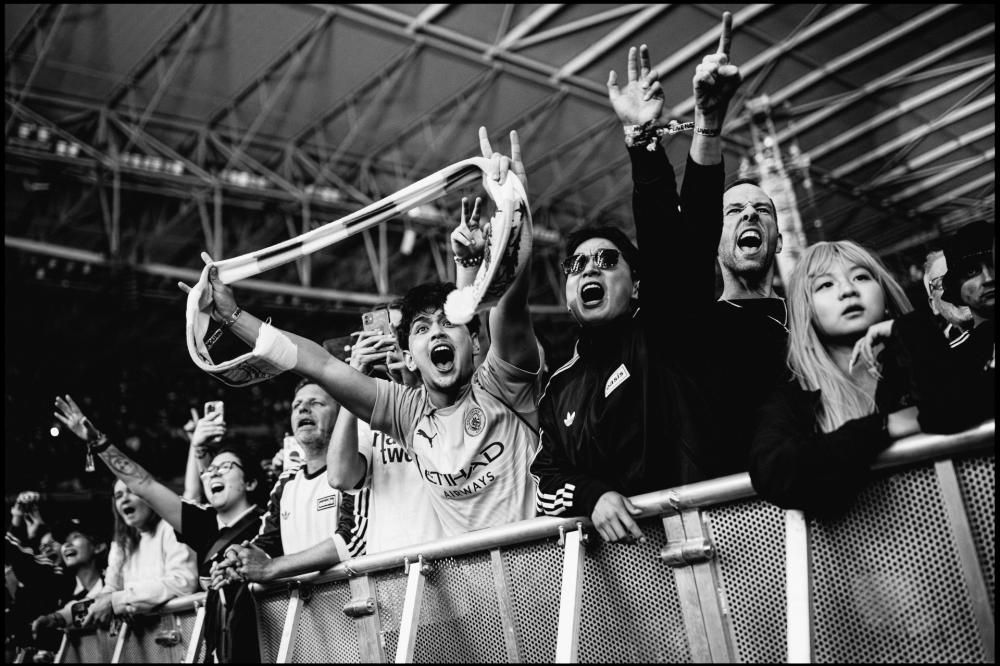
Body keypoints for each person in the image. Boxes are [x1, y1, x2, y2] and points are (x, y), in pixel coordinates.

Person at [187, 128, 541, 538]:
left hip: (547, 568)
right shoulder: (407, 412)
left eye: (448, 323)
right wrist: (232, 316)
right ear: (408, 356)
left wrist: (514, 207)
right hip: (472, 577)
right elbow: (318, 364)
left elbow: (511, 306)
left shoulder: (502, 385)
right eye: (421, 328)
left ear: (474, 342)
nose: (436, 333)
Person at [531, 13, 740, 543]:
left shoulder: (666, 330)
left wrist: (653, 139)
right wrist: (592, 495)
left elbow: (683, 244)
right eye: (578, 265)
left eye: (607, 261)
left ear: (639, 285)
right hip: (631, 582)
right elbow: (547, 481)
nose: (589, 269)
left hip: (717, 544)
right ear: (569, 296)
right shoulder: (558, 390)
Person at [748, 240, 981, 516]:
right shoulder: (795, 394)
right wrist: (886, 426)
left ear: (884, 293)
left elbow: (961, 404)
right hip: (869, 540)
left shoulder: (928, 351)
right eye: (825, 285)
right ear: (805, 309)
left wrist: (909, 331)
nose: (848, 290)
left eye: (860, 277)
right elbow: (773, 471)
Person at [54, 394, 267, 662]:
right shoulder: (202, 525)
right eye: (209, 470)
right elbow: (143, 485)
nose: (213, 473)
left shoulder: (269, 523)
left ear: (251, 482)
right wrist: (98, 442)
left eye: (225, 467)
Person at [208, 380, 366, 590]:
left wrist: (271, 568)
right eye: (296, 405)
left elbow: (352, 541)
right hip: (301, 607)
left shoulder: (356, 468)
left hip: (354, 601)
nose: (303, 409)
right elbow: (268, 544)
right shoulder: (286, 481)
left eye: (316, 403)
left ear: (340, 418)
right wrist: (238, 560)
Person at [326, 314, 446, 553]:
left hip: (450, 558)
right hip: (391, 566)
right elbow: (340, 477)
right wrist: (352, 379)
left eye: (397, 333)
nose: (388, 341)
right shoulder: (369, 412)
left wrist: (414, 383)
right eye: (383, 333)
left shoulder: (449, 399)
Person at [29, 518, 107, 640]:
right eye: (64, 541)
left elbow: (100, 602)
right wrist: (54, 619)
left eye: (75, 537)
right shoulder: (63, 595)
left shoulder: (117, 582)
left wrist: (60, 618)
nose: (66, 545)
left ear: (98, 547)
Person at [922, 249, 972, 347]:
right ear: (934, 305)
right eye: (942, 283)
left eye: (963, 275)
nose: (957, 287)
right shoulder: (942, 353)